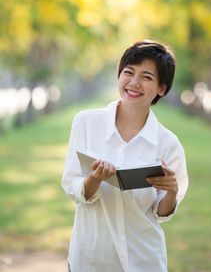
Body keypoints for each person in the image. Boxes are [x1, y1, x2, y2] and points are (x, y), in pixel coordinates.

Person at [61, 40, 189, 272]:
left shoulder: (168, 143)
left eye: (147, 77)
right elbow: (72, 186)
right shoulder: (86, 123)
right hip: (90, 260)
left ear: (162, 88)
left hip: (144, 260)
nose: (134, 82)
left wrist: (171, 190)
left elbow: (162, 211)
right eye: (128, 72)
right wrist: (95, 179)